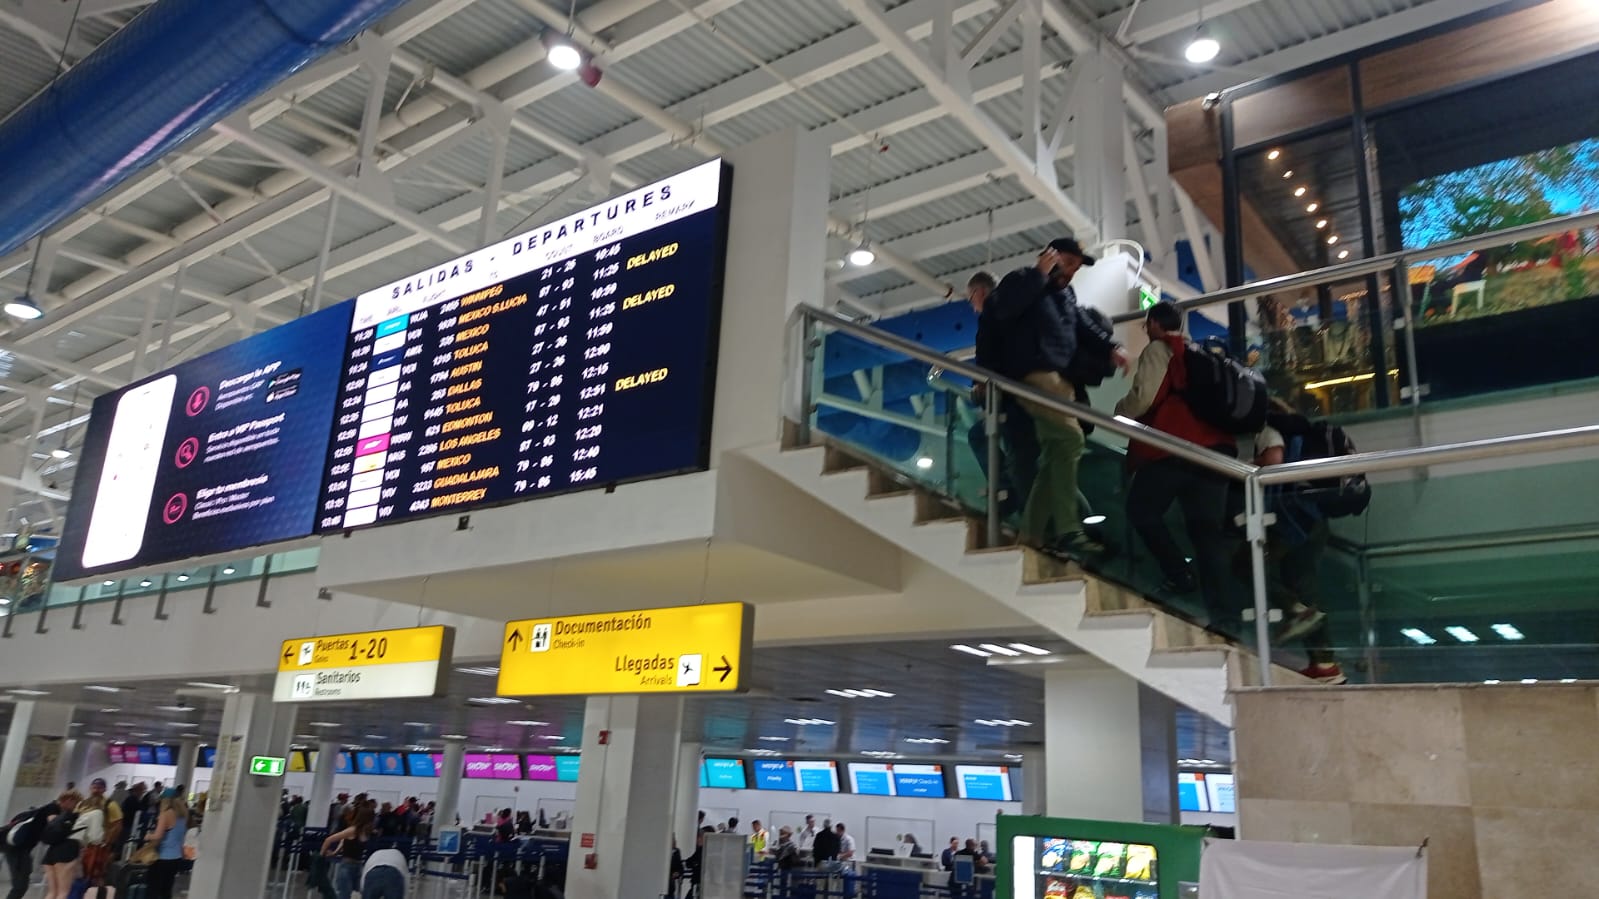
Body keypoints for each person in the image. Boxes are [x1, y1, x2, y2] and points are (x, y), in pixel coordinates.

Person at [988, 238, 1127, 559]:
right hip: (1034, 373)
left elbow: (1082, 325)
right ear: (1050, 257)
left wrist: (1111, 348)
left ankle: (1031, 535)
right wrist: (1040, 273)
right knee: (1070, 439)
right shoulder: (1023, 280)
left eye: (1076, 267)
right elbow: (1004, 311)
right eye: (1068, 263)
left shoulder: (1065, 294)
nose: (1072, 272)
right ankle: (1068, 529)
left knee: (1056, 453)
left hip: (1061, 380)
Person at [1114, 300, 1238, 620]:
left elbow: (1144, 398)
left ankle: (1179, 574)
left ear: (1154, 324)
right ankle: (1224, 617)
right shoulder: (1200, 353)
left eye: (1146, 326)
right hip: (1215, 454)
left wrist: (1119, 411)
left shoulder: (1160, 349)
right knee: (1207, 536)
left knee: (1140, 510)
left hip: (1175, 449)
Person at [1250, 400, 1347, 684]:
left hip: (1290, 520)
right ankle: (1325, 664)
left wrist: (1247, 466)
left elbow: (1274, 460)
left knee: (1244, 565)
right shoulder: (1301, 429)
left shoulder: (1269, 429)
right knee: (1304, 582)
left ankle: (1295, 610)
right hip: (1313, 517)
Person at [967, 270, 1039, 521]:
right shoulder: (1015, 312)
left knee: (990, 440)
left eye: (970, 297)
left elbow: (991, 354)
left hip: (1011, 398)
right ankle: (1011, 494)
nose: (972, 305)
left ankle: (1009, 492)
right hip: (1024, 395)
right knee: (1030, 461)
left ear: (980, 292)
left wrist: (983, 382)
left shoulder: (993, 315)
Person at [321, 803, 375, 899]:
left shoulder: (364, 831)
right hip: (347, 866)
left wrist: (335, 852)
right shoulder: (352, 830)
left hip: (358, 866)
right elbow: (329, 839)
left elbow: (343, 841)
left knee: (358, 895)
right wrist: (322, 856)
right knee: (345, 895)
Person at [143, 790, 187, 899]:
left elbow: (158, 835)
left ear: (165, 800)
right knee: (167, 889)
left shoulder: (166, 814)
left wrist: (148, 836)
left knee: (153, 889)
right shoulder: (183, 815)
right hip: (176, 857)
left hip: (162, 857)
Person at [37, 790, 82, 899]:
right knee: (63, 893)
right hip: (66, 853)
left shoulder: (57, 817)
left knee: (51, 893)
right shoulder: (76, 817)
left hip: (50, 854)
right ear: (72, 800)